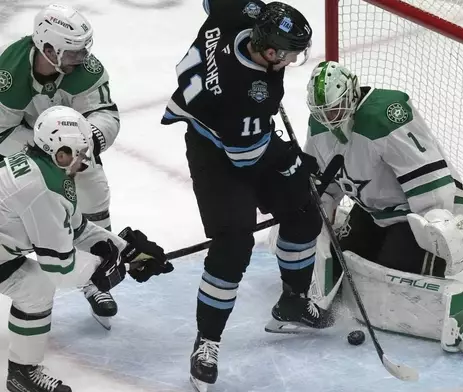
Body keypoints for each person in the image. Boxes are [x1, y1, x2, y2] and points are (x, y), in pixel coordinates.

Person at [160, 1, 331, 390]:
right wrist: (292, 159)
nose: (291, 60)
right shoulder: (249, 92)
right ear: (270, 52)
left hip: (244, 131)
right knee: (234, 242)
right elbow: (246, 156)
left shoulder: (241, 12)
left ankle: (292, 301)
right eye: (288, 54)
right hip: (216, 150)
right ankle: (207, 342)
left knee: (303, 213)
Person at [303, 61, 463, 355]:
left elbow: (430, 180)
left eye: (335, 108)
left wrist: (436, 227)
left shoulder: (385, 116)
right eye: (323, 112)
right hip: (373, 212)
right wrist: (315, 219)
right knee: (345, 266)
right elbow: (324, 183)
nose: (330, 118)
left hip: (416, 214)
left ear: (352, 94)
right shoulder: (319, 125)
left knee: (395, 283)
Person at [1, 106, 172, 392]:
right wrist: (103, 271)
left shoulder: (41, 167)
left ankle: (22, 373)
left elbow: (77, 228)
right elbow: (59, 267)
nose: (82, 161)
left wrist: (128, 251)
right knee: (38, 285)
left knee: (35, 288)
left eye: (83, 152)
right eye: (75, 153)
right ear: (54, 147)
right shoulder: (41, 189)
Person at [0, 4, 122, 328]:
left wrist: (87, 140)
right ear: (48, 48)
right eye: (72, 53)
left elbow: (105, 113)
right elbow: (1, 132)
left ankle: (97, 273)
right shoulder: (10, 71)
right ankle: (61, 266)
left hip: (72, 144)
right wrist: (45, 153)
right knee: (39, 208)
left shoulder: (83, 66)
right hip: (27, 148)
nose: (81, 59)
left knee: (93, 188)